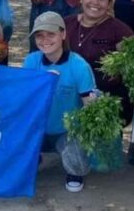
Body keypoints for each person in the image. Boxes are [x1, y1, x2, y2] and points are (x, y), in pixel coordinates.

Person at [22, 12, 96, 193]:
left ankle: (74, 172)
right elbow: (24, 99)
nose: (45, 40)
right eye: (39, 35)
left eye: (51, 34)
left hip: (67, 130)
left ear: (63, 34)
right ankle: (34, 156)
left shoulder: (79, 66)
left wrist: (87, 136)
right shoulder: (31, 61)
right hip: (38, 128)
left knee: (78, 163)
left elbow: (90, 106)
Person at [64, 0, 134, 122]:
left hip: (105, 99)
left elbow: (131, 66)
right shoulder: (66, 24)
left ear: (109, 3)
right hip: (68, 95)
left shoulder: (120, 31)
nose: (95, 2)